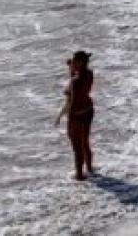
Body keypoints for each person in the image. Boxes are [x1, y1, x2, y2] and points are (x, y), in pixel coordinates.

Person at [60, 51, 94, 182]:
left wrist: (69, 119)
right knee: (85, 142)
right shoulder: (89, 74)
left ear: (79, 63)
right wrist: (72, 69)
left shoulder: (75, 81)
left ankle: (79, 176)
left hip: (77, 114)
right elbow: (77, 82)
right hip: (88, 110)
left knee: (76, 146)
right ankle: (90, 169)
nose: (71, 62)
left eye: (74, 60)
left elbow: (73, 102)